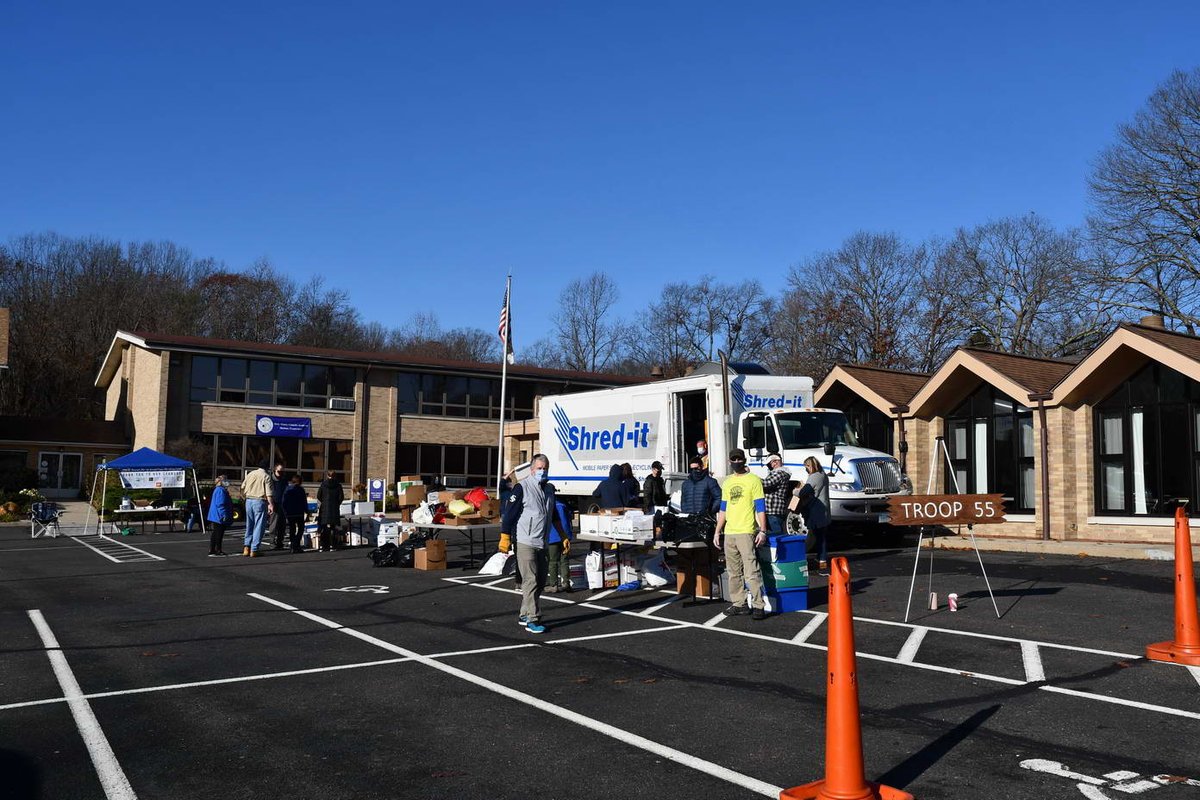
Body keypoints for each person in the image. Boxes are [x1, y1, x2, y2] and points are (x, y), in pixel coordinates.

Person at [500, 453, 557, 634]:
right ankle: (533, 618)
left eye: (545, 468)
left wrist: (562, 535)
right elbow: (509, 514)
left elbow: (553, 514)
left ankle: (524, 613)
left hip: (542, 541)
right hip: (525, 540)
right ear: (532, 470)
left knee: (540, 581)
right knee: (530, 580)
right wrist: (505, 536)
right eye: (539, 468)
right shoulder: (522, 488)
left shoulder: (549, 489)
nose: (542, 471)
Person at [714, 448, 768, 620]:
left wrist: (763, 530)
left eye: (739, 459)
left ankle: (758, 605)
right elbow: (723, 509)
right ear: (729, 462)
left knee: (751, 571)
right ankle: (739, 603)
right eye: (734, 459)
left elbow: (760, 506)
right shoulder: (727, 482)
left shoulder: (753, 480)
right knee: (733, 572)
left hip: (746, 531)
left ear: (744, 460)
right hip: (729, 532)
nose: (736, 462)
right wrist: (717, 531)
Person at [794, 456, 831, 573]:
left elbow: (803, 492)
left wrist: (795, 491)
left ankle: (813, 560)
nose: (806, 469)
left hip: (816, 511)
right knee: (821, 537)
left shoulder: (814, 477)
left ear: (810, 466)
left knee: (815, 537)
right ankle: (821, 560)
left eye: (807, 467)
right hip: (824, 510)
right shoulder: (823, 475)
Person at [240, 460, 274, 557]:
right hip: (259, 501)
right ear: (267, 467)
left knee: (249, 524)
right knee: (259, 525)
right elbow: (269, 493)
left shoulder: (250, 474)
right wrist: (271, 504)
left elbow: (242, 487)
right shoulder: (266, 476)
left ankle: (246, 547)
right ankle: (254, 549)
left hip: (248, 500)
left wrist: (244, 497)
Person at [544, 500, 573, 594]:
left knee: (553, 561)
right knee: (565, 560)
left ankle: (554, 585)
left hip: (552, 536)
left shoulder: (548, 505)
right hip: (566, 535)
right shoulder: (563, 504)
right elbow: (570, 517)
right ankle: (566, 582)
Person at [762, 453, 792, 535]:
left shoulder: (779, 473)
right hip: (774, 510)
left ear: (775, 462)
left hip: (773, 510)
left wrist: (752, 478)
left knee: (775, 534)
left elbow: (766, 483)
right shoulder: (780, 473)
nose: (769, 466)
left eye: (770, 464)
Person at [316, 469, 345, 552]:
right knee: (334, 527)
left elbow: (319, 496)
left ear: (327, 475)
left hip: (325, 509)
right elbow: (341, 497)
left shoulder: (323, 484)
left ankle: (325, 546)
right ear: (335, 476)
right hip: (334, 509)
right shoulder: (338, 485)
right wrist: (337, 503)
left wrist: (324, 502)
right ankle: (334, 544)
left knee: (324, 528)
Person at [206, 474, 233, 557]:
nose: (227, 482)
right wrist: (224, 515)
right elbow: (220, 504)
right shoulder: (221, 490)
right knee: (219, 533)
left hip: (215, 515)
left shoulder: (217, 489)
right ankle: (218, 549)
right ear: (221, 482)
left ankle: (212, 549)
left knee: (215, 533)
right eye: (225, 480)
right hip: (219, 515)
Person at [282, 473, 308, 553]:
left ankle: (293, 546)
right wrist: (306, 510)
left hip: (290, 513)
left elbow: (284, 501)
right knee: (301, 529)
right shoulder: (301, 490)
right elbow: (304, 501)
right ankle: (296, 544)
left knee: (292, 529)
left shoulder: (287, 489)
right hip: (299, 512)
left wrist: (285, 511)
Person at [268, 461, 287, 550]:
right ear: (274, 471)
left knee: (282, 524)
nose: (281, 473)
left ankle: (280, 542)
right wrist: (269, 504)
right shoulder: (270, 480)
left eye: (282, 471)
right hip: (274, 503)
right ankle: (272, 542)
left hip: (283, 504)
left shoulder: (284, 480)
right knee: (273, 524)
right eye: (279, 471)